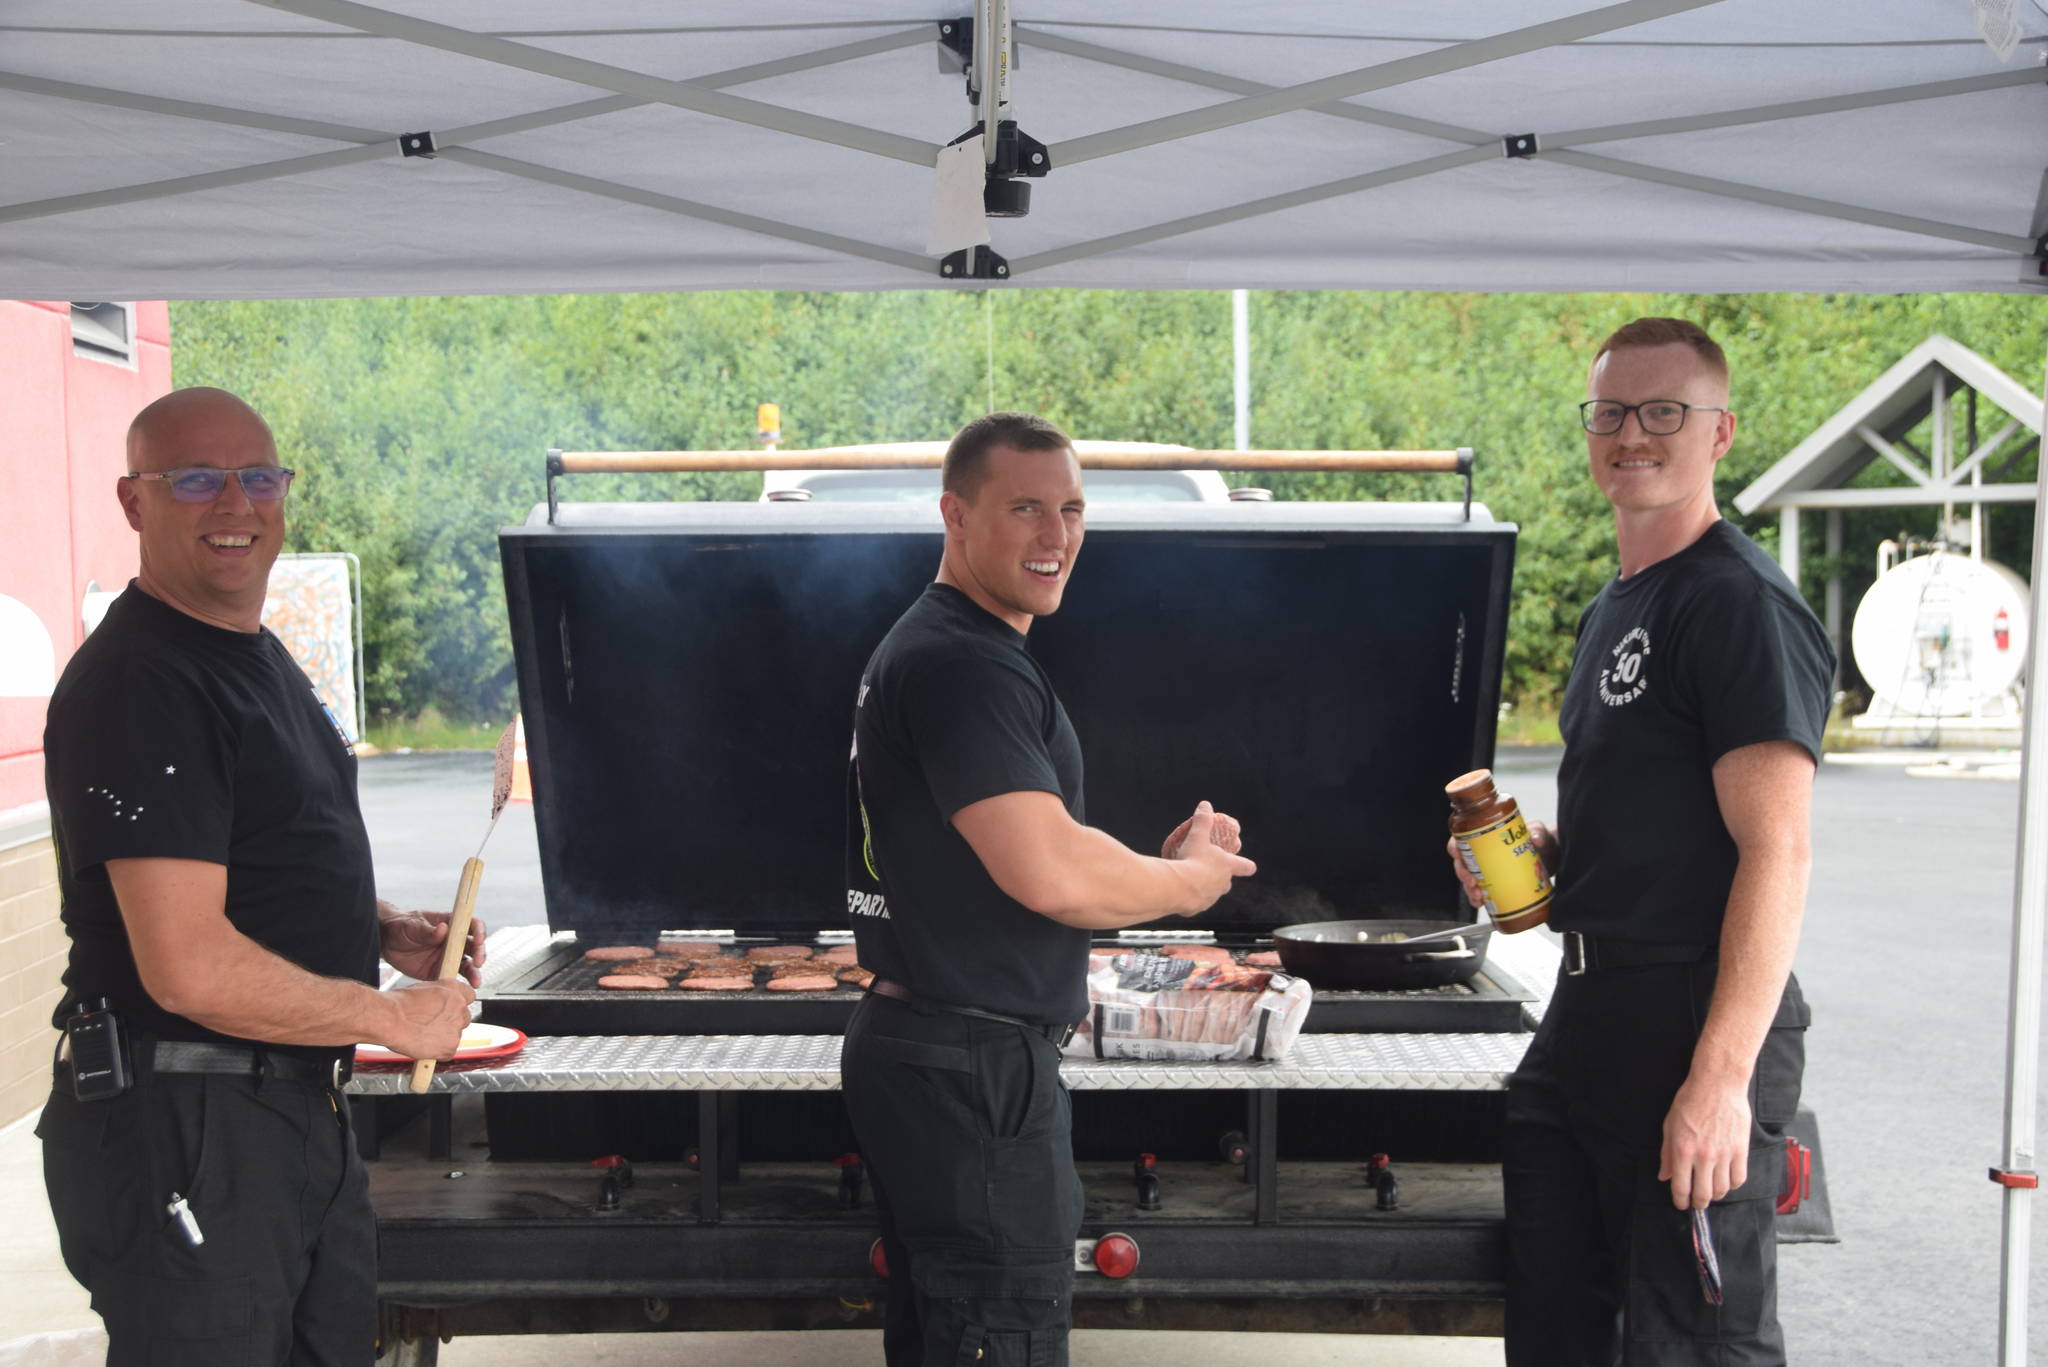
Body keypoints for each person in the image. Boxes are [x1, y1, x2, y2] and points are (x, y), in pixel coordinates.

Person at [36, 387, 484, 1367]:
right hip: (186, 1124)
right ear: (132, 500)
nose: (234, 503)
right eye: (194, 478)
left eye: (258, 476)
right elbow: (186, 967)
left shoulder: (252, 656)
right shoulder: (140, 683)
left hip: (284, 1110)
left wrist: (377, 925)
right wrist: (387, 1013)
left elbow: (250, 853)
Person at [841, 412, 1256, 1367]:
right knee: (998, 1343)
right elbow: (1049, 869)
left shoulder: (945, 648)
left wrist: (1155, 864)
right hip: (971, 1071)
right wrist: (1188, 884)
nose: (1056, 536)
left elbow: (1036, 849)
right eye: (1025, 508)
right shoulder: (963, 663)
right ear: (955, 514)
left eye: (1071, 508)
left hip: (934, 1053)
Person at [1454, 319, 1833, 1365]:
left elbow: (1777, 852)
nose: (1631, 432)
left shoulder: (1735, 603)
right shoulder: (1614, 604)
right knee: (1561, 1332)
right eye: (1610, 410)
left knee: (1690, 1340)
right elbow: (1667, 826)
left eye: (1664, 410)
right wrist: (1552, 854)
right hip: (1586, 1019)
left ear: (1718, 433)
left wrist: (1715, 1081)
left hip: (1685, 1020)